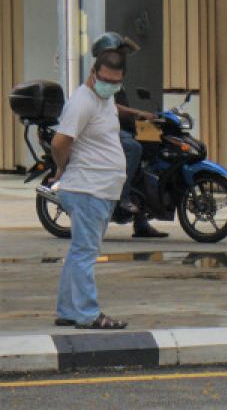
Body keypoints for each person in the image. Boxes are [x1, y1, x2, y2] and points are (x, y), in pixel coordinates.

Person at [50, 45, 132, 329]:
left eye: (115, 82)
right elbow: (60, 142)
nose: (109, 86)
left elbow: (111, 111)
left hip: (100, 188)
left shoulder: (104, 99)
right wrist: (62, 167)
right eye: (105, 79)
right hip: (87, 188)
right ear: (93, 73)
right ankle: (87, 314)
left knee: (79, 252)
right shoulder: (82, 101)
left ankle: (68, 310)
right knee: (85, 253)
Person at [89, 32, 168, 238]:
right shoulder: (100, 78)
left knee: (152, 151)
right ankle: (121, 198)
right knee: (134, 148)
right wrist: (138, 113)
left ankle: (141, 222)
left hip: (120, 129)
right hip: (105, 132)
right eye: (119, 53)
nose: (123, 57)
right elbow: (113, 107)